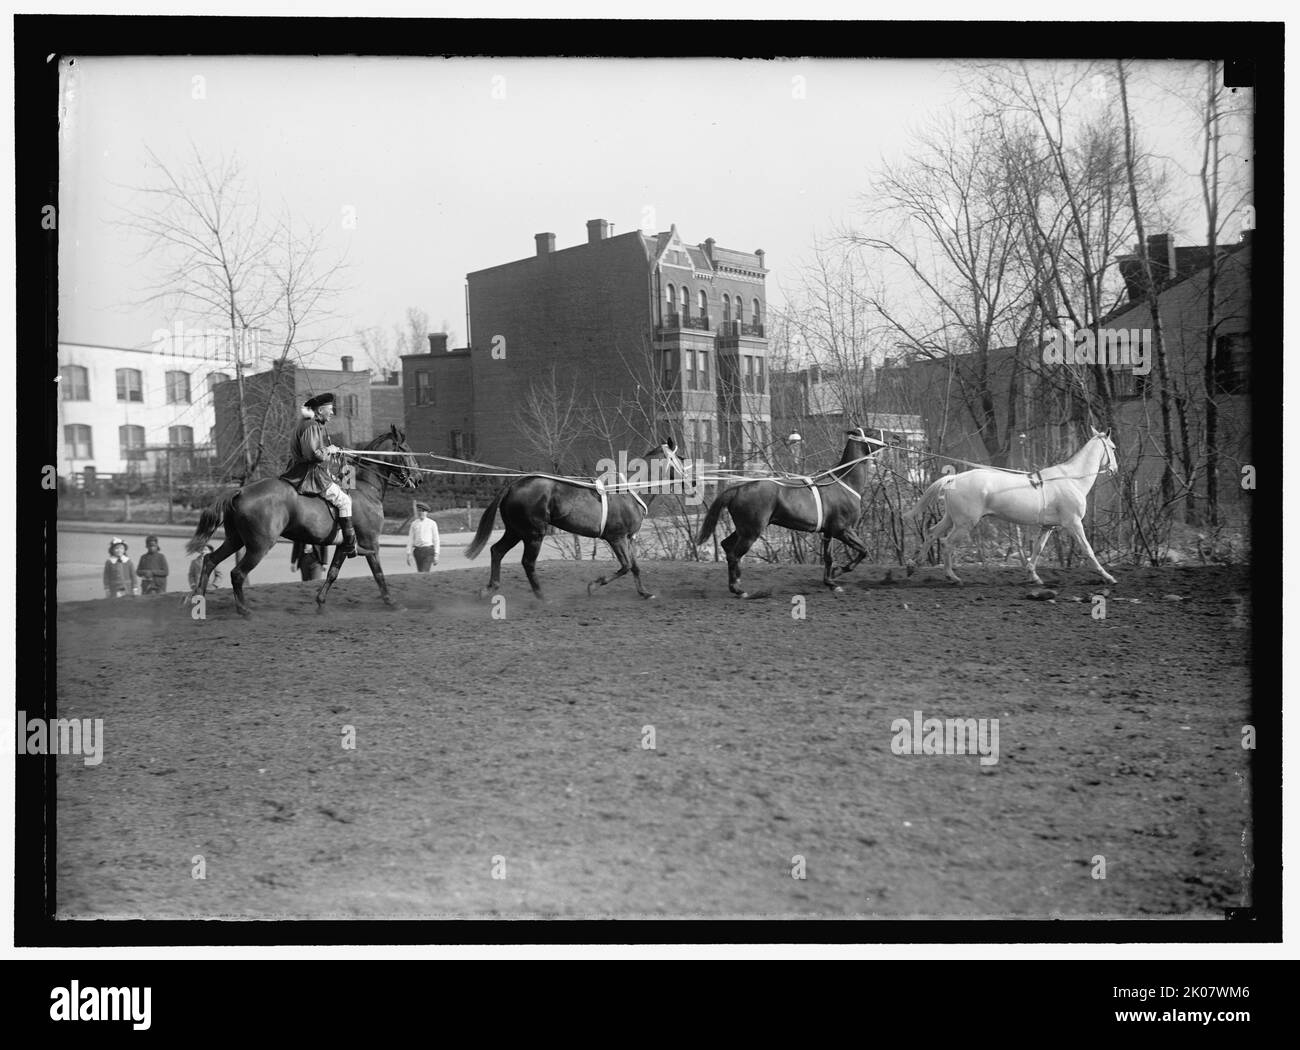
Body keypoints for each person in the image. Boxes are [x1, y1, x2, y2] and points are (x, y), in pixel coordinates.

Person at [278, 392, 371, 557]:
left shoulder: (306, 424)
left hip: (304, 470)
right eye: (330, 409)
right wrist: (329, 449)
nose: (333, 412)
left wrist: (333, 451)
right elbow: (314, 455)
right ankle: (350, 545)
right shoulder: (312, 425)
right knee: (344, 501)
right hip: (310, 475)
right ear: (320, 410)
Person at [406, 503, 440, 572]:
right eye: (419, 511)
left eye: (423, 511)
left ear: (426, 512)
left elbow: (436, 539)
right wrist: (408, 554)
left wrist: (436, 554)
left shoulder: (432, 523)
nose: (421, 513)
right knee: (420, 571)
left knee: (424, 571)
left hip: (428, 550)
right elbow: (410, 539)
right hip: (418, 551)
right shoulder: (414, 524)